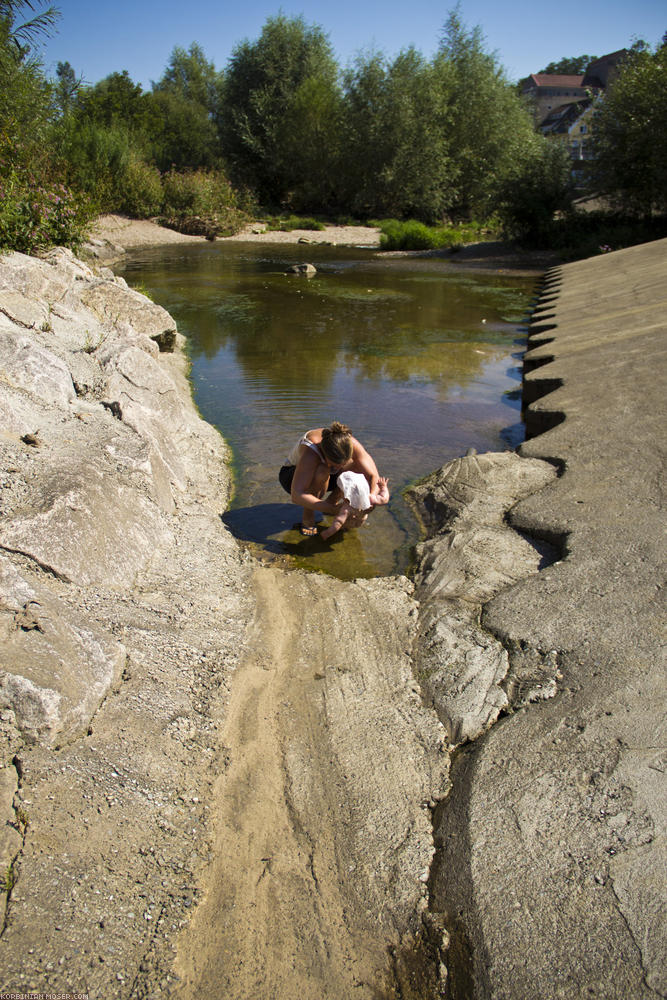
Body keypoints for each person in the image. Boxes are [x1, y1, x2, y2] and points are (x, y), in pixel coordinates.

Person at [278, 421, 382, 536]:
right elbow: (296, 495)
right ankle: (308, 516)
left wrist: (371, 498)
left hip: (326, 475)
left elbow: (374, 476)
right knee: (322, 470)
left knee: (358, 466)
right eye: (335, 465)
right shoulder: (311, 452)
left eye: (342, 464)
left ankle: (331, 502)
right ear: (325, 454)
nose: (339, 468)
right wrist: (334, 509)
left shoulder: (347, 441)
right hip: (292, 477)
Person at [320, 473, 390, 540]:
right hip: (361, 520)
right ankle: (347, 529)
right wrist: (383, 487)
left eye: (340, 490)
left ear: (345, 494)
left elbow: (339, 522)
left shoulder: (347, 507)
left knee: (340, 520)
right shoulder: (371, 499)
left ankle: (343, 529)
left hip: (349, 522)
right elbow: (384, 499)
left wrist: (327, 533)